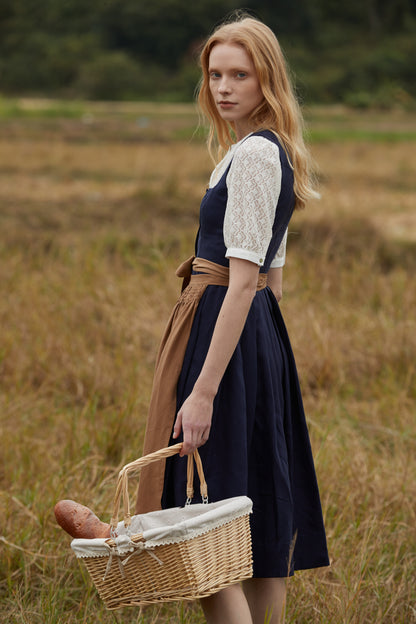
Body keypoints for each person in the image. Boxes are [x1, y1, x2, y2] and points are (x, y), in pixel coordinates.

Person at [134, 13, 329, 624]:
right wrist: (259, 359)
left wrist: (204, 390)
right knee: (254, 516)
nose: (224, 87)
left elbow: (246, 282)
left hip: (228, 331)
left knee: (196, 526)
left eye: (239, 74)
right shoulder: (261, 151)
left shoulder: (252, 158)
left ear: (266, 79)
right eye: (215, 74)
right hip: (251, 336)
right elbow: (274, 279)